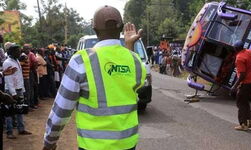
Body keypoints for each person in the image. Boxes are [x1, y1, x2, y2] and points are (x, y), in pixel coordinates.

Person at [43, 5, 146, 150]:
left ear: (94, 29)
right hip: (127, 144)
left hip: (93, 146)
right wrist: (129, 46)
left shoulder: (80, 61)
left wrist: (50, 141)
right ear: (121, 27)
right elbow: (128, 89)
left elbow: (62, 109)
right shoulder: (135, 61)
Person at [3, 44, 32, 139]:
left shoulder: (17, 61)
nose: (20, 52)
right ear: (12, 52)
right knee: (9, 112)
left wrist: (22, 89)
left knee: (20, 110)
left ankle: (21, 129)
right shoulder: (7, 62)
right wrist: (13, 93)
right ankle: (9, 132)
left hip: (19, 89)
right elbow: (8, 79)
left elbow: (19, 77)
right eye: (18, 51)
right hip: (11, 91)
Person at [231, 40, 251, 131]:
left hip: (246, 82)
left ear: (236, 49)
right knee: (244, 101)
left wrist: (235, 86)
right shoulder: (250, 52)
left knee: (240, 102)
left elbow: (242, 75)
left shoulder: (239, 58)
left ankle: (243, 124)